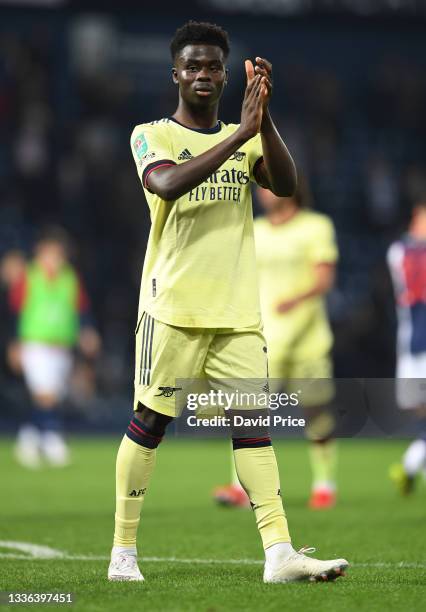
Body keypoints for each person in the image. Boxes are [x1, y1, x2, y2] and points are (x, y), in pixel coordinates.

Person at [108, 20, 348, 583]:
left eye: (213, 66)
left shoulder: (241, 138)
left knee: (252, 428)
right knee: (149, 422)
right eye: (193, 65)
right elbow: (166, 185)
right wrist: (240, 134)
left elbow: (286, 185)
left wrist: (262, 122)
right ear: (175, 74)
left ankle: (279, 554)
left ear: (224, 73)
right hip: (172, 311)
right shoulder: (151, 134)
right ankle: (123, 552)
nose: (203, 75)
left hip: (237, 313)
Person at [214, 179, 339, 510]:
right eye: (260, 187)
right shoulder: (254, 229)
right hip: (262, 337)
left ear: (289, 187)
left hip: (307, 339)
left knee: (315, 413)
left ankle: (324, 482)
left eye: (268, 185)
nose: (262, 192)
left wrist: (294, 300)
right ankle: (240, 488)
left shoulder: (316, 226)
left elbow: (324, 278)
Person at [7, 227, 100, 467]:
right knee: (45, 395)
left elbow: (80, 309)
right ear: (40, 253)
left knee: (49, 398)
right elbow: (13, 312)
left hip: (62, 345)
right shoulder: (29, 277)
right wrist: (13, 342)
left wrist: (87, 331)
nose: (55, 259)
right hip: (35, 344)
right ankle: (52, 439)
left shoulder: (70, 278)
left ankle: (28, 438)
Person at [388, 197, 426, 494]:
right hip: (416, 343)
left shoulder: (400, 250)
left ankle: (412, 464)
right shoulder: (403, 252)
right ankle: (412, 463)